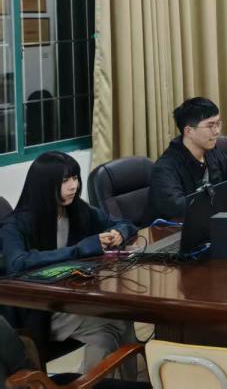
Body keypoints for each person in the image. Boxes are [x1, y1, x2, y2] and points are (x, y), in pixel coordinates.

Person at [0, 152, 139, 378]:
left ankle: (101, 381)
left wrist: (119, 233)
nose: (73, 185)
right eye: (65, 180)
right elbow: (17, 263)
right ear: (45, 184)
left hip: (73, 298)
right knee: (117, 320)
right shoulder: (16, 224)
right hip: (42, 310)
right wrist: (78, 249)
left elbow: (124, 223)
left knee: (111, 328)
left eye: (75, 178)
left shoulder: (76, 209)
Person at [150, 97, 227, 220]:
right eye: (210, 126)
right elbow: (176, 208)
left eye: (218, 124)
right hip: (175, 230)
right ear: (188, 131)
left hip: (216, 223)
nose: (217, 131)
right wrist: (225, 199)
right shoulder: (165, 167)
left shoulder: (214, 152)